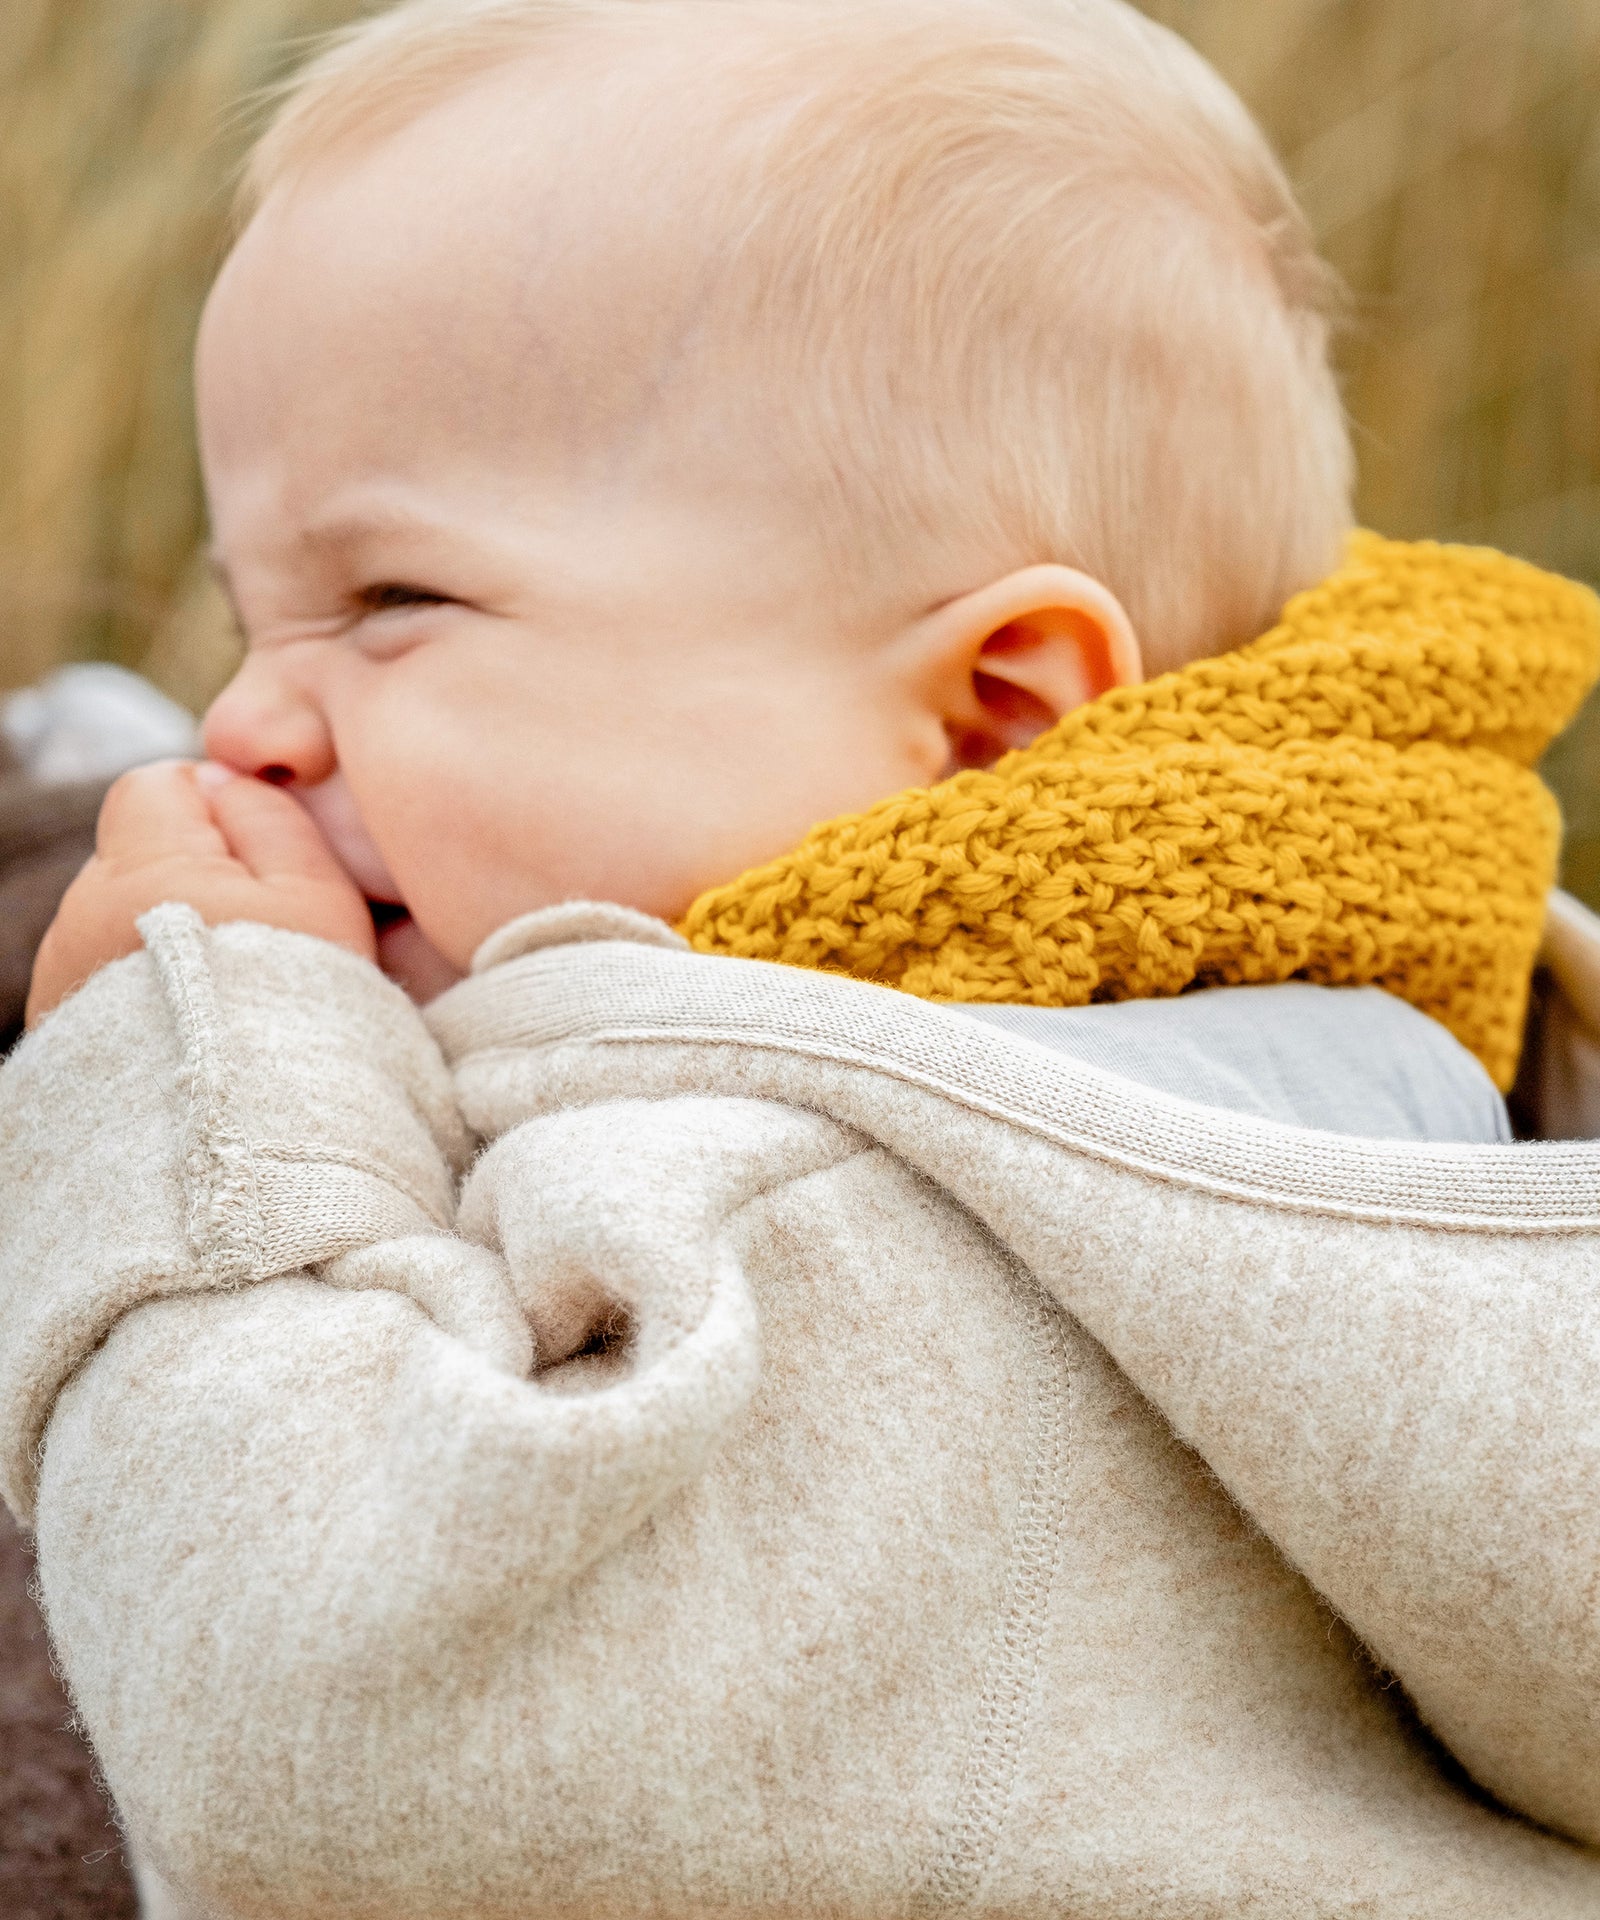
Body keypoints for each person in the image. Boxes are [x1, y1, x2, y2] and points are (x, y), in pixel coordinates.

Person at [6, 2, 1600, 1915]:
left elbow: (327, 1740)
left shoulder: (829, 1206)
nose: (244, 726)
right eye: (258, 617)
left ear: (997, 709)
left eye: (395, 598)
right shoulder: (1394, 1060)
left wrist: (192, 1054)